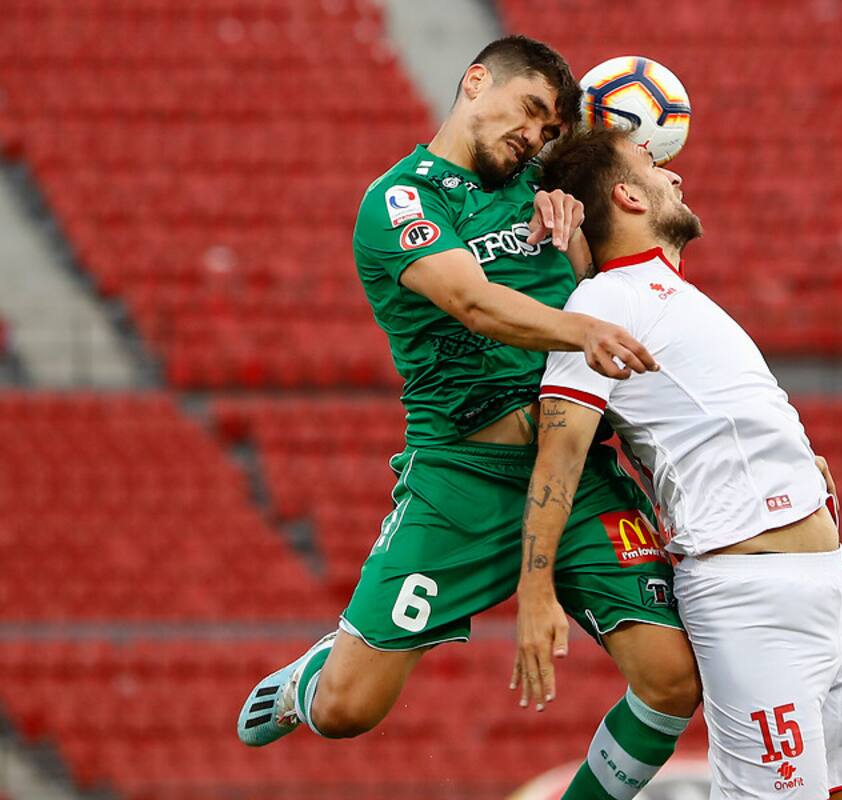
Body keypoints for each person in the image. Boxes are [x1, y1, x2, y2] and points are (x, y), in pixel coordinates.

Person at [236, 36, 704, 800]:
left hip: (576, 471)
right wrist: (581, 331)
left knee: (673, 681)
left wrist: (580, 228)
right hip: (460, 477)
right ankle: (313, 675)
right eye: (529, 112)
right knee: (351, 709)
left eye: (553, 128)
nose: (536, 136)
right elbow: (471, 301)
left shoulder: (548, 189)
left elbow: (640, 264)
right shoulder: (401, 201)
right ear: (476, 81)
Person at [509, 127, 842, 799]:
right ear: (625, 196)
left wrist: (800, 470)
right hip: (749, 595)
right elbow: (559, 451)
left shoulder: (679, 298)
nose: (676, 177)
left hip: (829, 583)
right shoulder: (601, 304)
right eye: (652, 167)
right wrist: (536, 590)